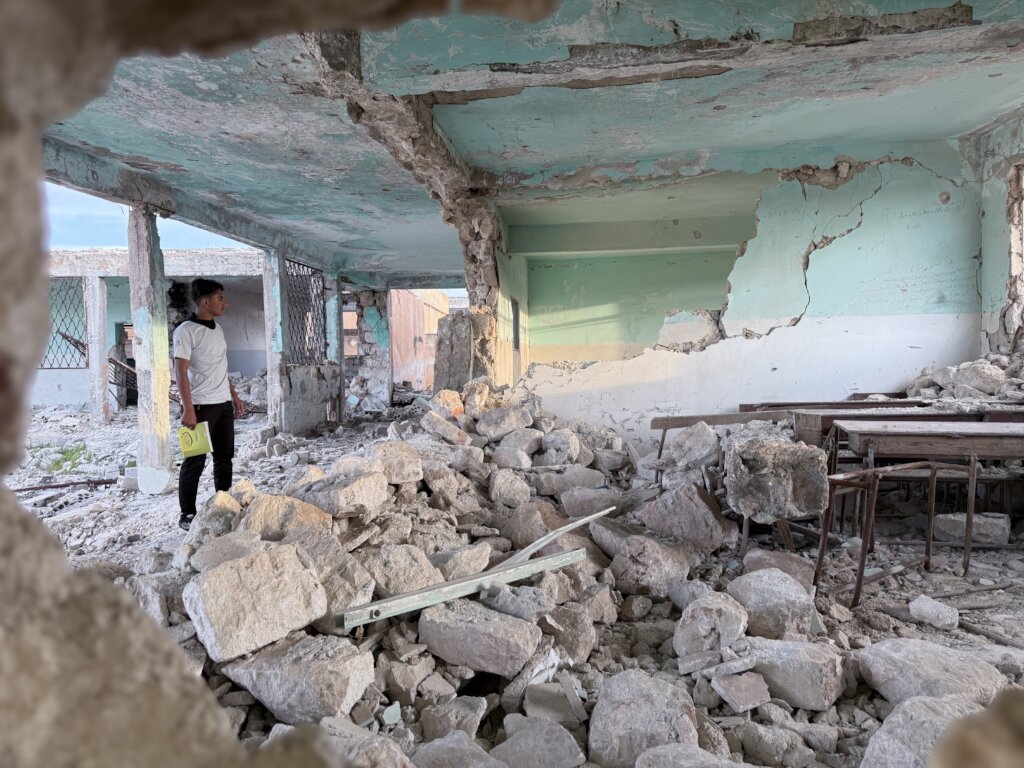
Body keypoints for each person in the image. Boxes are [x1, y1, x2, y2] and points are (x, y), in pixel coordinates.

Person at [173, 279, 245, 530]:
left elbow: (220, 367)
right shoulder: (186, 331)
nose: (225, 303)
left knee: (224, 458)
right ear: (205, 301)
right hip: (200, 406)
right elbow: (180, 372)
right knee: (194, 461)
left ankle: (222, 504)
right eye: (220, 298)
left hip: (222, 404)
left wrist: (233, 394)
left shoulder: (218, 329)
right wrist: (187, 408)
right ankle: (187, 514)